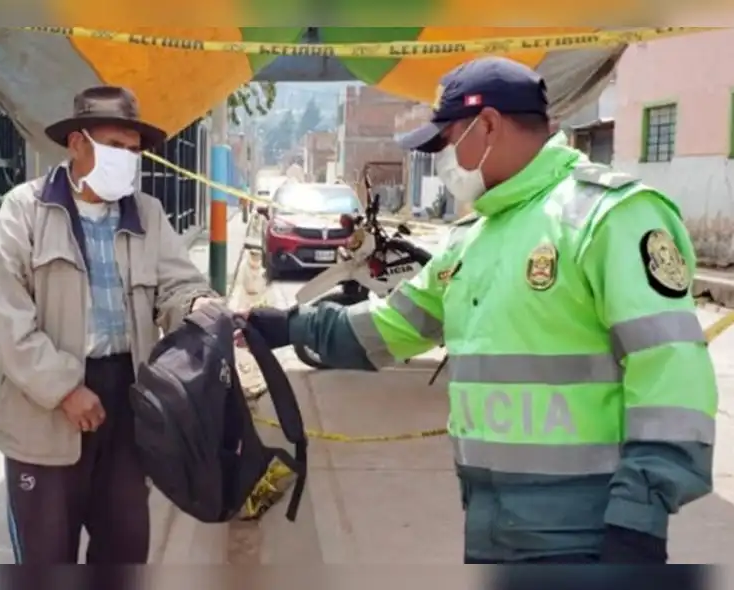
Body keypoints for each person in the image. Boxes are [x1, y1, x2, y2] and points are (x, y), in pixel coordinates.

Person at [241, 57, 718, 564]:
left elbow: (670, 374)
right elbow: (393, 326)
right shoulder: (473, 238)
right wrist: (292, 327)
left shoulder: (604, 217)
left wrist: (639, 515)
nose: (444, 161)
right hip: (491, 518)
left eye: (446, 141)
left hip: (588, 529)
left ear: (487, 125)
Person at [0, 85, 221, 564]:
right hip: (47, 405)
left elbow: (178, 284)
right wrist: (65, 388)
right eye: (114, 146)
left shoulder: (146, 213)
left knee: (126, 547)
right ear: (77, 143)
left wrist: (200, 306)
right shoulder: (25, 210)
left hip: (127, 400)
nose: (126, 160)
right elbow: (3, 317)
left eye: (133, 151)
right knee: (48, 555)